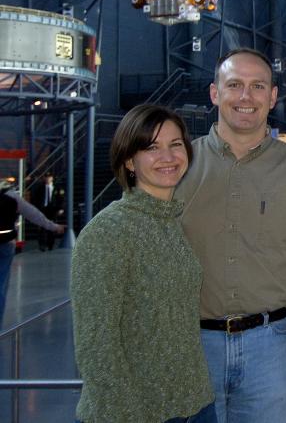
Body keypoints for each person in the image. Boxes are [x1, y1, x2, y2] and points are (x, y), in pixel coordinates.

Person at [175, 47, 286, 423]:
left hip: (276, 350)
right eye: (234, 85)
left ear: (272, 96)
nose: (245, 97)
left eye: (257, 86)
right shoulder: (178, 168)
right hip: (192, 348)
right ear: (215, 93)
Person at [70, 104, 215, 423]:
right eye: (151, 147)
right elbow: (97, 347)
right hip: (138, 413)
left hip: (195, 405)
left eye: (175, 145)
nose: (168, 156)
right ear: (128, 160)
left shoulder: (171, 223)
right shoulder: (107, 232)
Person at [0, 179, 65, 325]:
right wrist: (54, 227)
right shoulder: (11, 196)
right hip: (5, 244)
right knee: (1, 284)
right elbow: (33, 214)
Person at [30, 172, 65, 251]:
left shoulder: (57, 188)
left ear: (52, 178)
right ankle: (42, 244)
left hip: (52, 210)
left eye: (49, 177)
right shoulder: (40, 188)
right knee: (42, 228)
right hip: (43, 209)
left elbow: (61, 199)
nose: (47, 179)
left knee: (52, 227)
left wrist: (61, 208)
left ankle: (50, 244)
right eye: (46, 177)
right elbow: (35, 199)